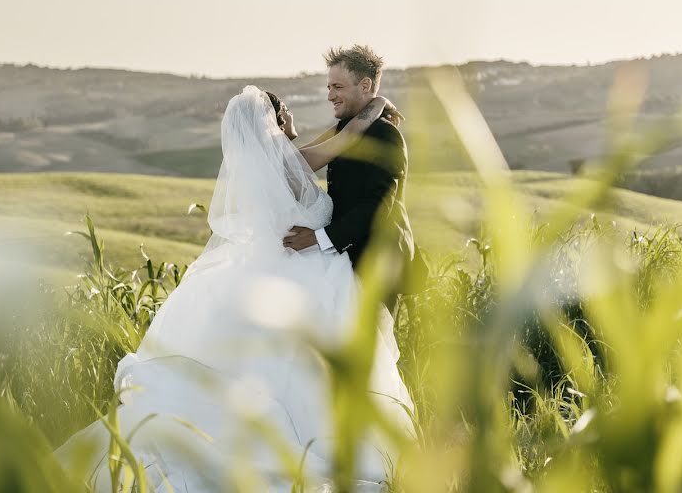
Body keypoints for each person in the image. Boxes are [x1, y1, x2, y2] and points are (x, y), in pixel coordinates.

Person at [54, 85, 415, 492]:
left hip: (284, 270)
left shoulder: (272, 164)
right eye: (288, 112)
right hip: (306, 274)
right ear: (276, 122)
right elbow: (347, 139)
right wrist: (379, 103)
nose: (296, 117)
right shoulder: (290, 165)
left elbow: (328, 145)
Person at [283, 45, 423, 314]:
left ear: (365, 84)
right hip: (345, 261)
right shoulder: (345, 131)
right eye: (328, 87)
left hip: (376, 265)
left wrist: (318, 238)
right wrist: (380, 102)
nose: (330, 96)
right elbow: (301, 161)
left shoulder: (385, 135)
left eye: (337, 87)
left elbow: (379, 206)